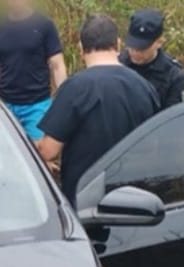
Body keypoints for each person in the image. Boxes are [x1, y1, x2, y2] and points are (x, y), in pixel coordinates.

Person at [36, 14, 159, 204]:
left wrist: (29, 145)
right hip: (136, 201)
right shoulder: (145, 87)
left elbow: (48, 150)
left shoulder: (74, 88)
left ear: (80, 48)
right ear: (117, 45)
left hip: (85, 202)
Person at [0, 0, 67, 140]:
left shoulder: (44, 25)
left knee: (39, 155)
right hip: (5, 105)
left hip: (36, 106)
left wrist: (64, 97)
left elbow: (57, 65)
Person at [119, 9, 184, 110]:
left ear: (159, 42)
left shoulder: (174, 77)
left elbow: (179, 118)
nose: (135, 52)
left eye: (142, 48)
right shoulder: (117, 65)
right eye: (132, 46)